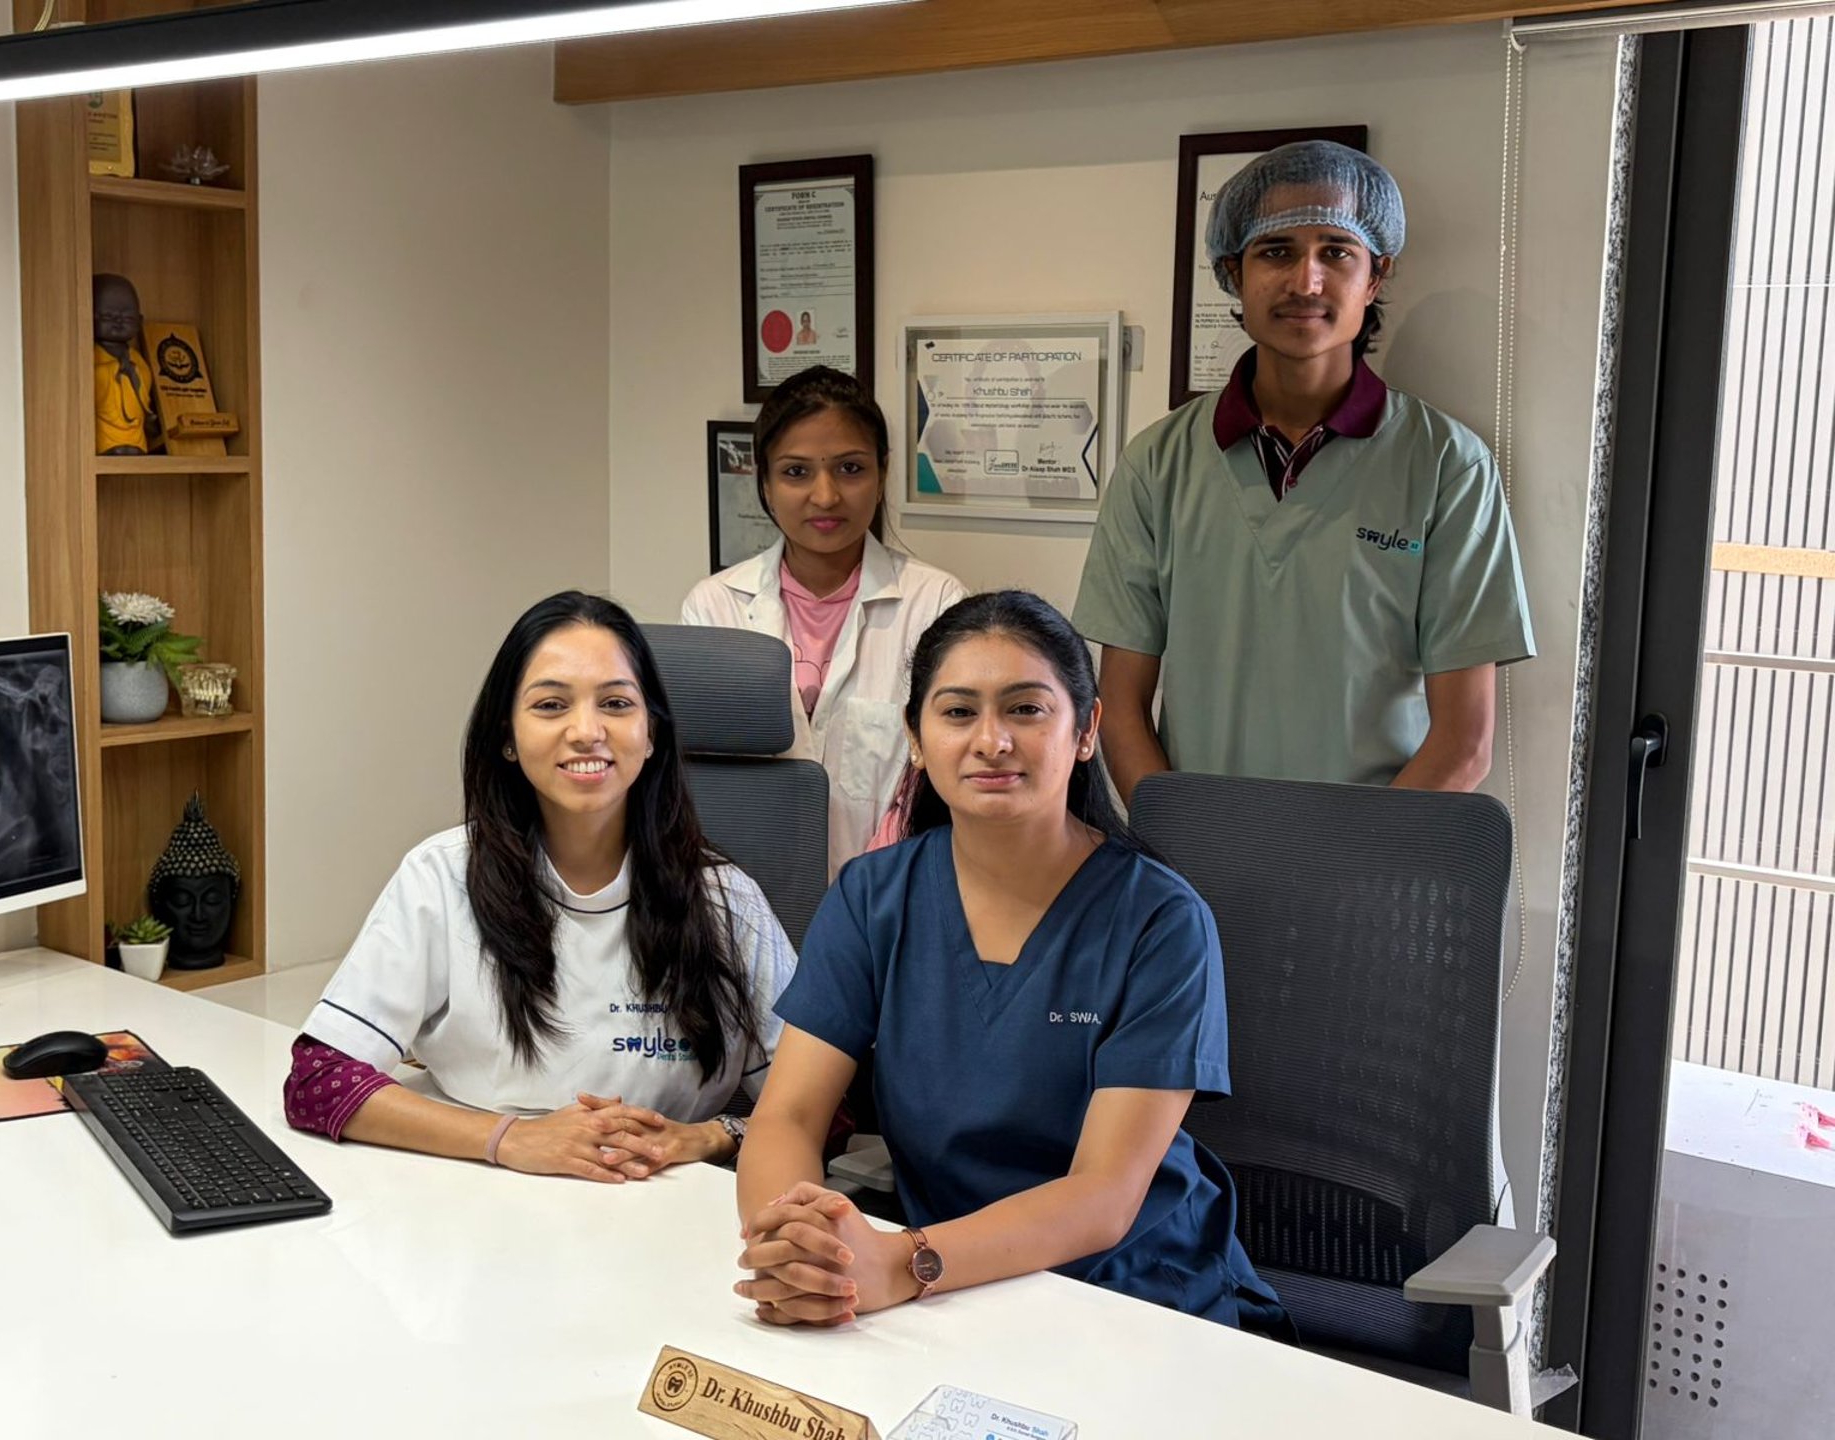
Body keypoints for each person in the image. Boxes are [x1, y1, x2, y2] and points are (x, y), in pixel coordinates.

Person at [732, 591, 1288, 1333]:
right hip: (950, 1295)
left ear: (1086, 730)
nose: (991, 740)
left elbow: (1103, 1195)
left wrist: (905, 1263)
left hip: (1137, 1296)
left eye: (1026, 710)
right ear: (918, 739)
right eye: (958, 712)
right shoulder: (873, 899)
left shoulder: (1160, 920)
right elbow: (789, 1116)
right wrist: (797, 1248)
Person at [1073, 141, 1534, 802]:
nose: (1306, 282)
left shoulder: (1447, 467)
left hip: (1375, 874)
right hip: (1197, 868)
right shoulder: (1157, 464)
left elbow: (1465, 739)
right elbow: (1119, 713)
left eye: (1336, 252)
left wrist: (1347, 872)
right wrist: (1184, 850)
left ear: (1375, 277)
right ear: (1234, 272)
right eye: (1276, 251)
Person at [283, 592, 795, 1180]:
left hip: (661, 1210)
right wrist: (512, 1139)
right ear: (507, 735)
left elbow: (822, 1110)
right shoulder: (443, 877)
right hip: (474, 1196)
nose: (586, 731)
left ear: (651, 732)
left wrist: (708, 1137)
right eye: (551, 704)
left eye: (616, 703)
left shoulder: (727, 903)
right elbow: (319, 1081)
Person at [682, 365, 965, 875]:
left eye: (850, 469)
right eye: (796, 472)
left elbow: (945, 777)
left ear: (881, 476)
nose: (826, 495)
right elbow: (700, 782)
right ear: (763, 483)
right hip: (746, 886)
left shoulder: (937, 604)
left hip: (890, 891)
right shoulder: (714, 607)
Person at [93, 273, 160, 456]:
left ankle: (136, 445)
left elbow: (145, 377)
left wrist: (132, 371)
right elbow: (93, 384)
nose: (118, 322)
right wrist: (113, 370)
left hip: (134, 428)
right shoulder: (91, 355)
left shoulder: (136, 358)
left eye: (127, 318)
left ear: (139, 321)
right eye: (108, 316)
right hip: (106, 428)